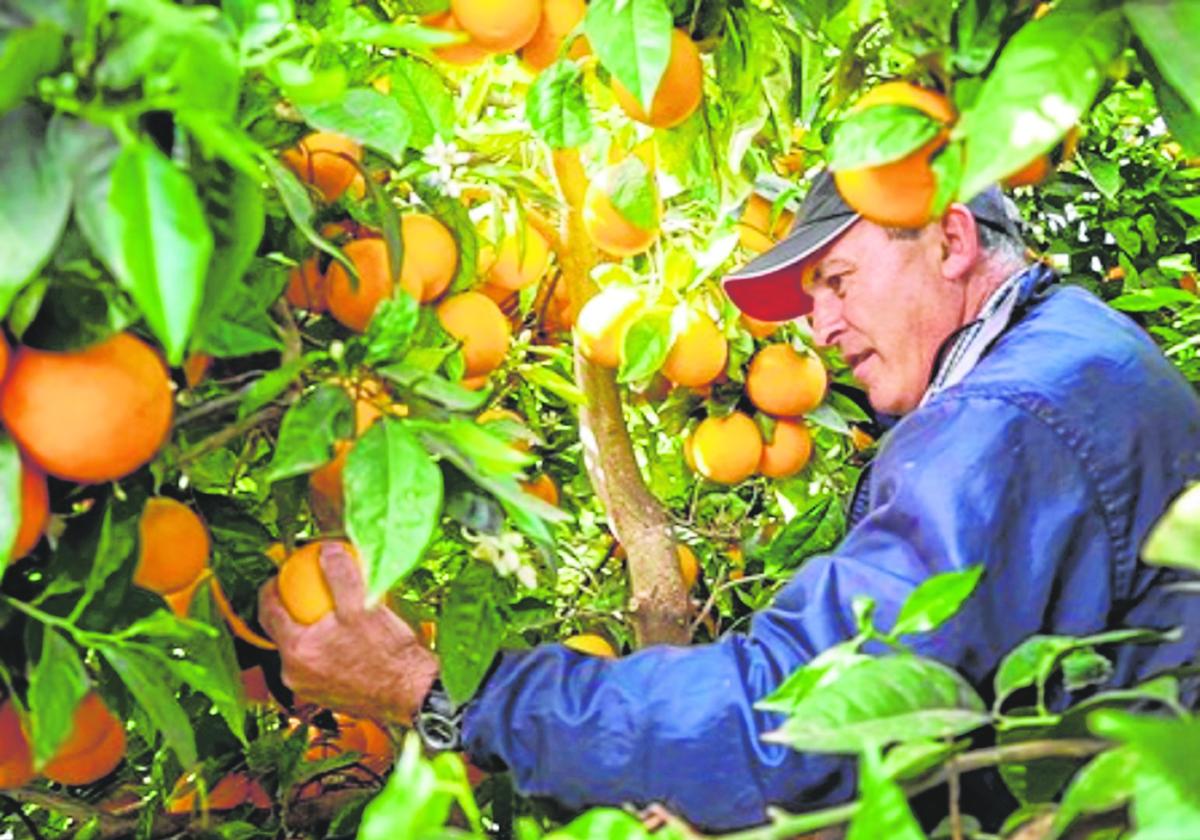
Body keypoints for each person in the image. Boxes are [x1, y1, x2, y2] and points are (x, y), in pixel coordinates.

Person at [258, 171, 1200, 831]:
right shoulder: (1067, 352)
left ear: (952, 239)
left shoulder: (1008, 419)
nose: (821, 330)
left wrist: (437, 695)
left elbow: (789, 722)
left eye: (836, 281)